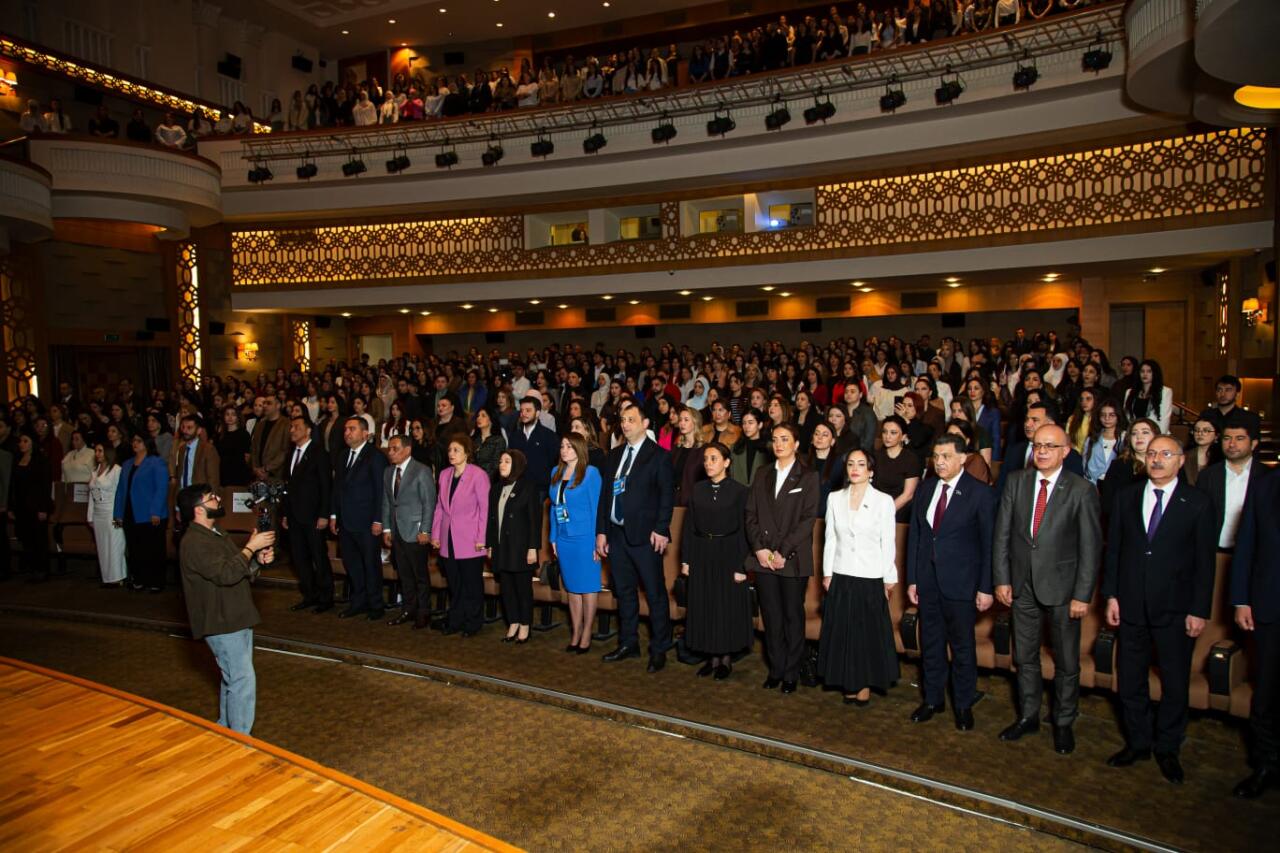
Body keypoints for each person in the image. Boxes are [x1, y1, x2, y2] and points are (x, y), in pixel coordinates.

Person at [1102, 435, 1216, 784]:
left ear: (1181, 460)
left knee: (1175, 682)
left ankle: (1168, 746)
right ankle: (1138, 741)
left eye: (1166, 454)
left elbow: (1204, 563)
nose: (1157, 460)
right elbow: (1115, 552)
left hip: (1176, 608)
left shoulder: (1197, 503)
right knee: (1131, 679)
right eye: (1152, 453)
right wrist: (1111, 596)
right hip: (1132, 603)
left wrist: (1199, 609)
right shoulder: (1127, 496)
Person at [992, 424, 1102, 755]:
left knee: (1067, 661)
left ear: (1065, 451)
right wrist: (1002, 579)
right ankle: (1029, 716)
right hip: (1022, 586)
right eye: (1037, 445)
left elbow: (1090, 548)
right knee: (1024, 657)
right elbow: (1002, 536)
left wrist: (1083, 595)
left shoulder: (1082, 490)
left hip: (1064, 591)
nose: (1041, 451)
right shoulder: (1016, 481)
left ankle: (1063, 721)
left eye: (1050, 446)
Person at [906, 433, 995, 730]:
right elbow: (917, 536)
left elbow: (988, 545)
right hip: (928, 582)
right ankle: (933, 699)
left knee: (962, 648)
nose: (939, 462)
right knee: (930, 644)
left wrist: (985, 586)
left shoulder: (980, 493)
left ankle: (963, 703)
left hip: (962, 584)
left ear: (962, 458)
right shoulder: (926, 488)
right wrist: (913, 579)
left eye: (946, 457)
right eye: (936, 456)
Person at [176, 483, 276, 735]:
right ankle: (240, 737)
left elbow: (237, 567)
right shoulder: (194, 542)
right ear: (198, 510)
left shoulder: (216, 533)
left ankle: (225, 730)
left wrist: (257, 560)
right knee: (242, 679)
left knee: (232, 677)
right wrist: (251, 547)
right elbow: (226, 573)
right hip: (220, 620)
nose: (218, 500)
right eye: (211, 498)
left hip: (234, 614)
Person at [595, 402, 676, 672]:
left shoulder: (659, 456)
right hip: (617, 535)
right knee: (625, 592)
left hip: (646, 536)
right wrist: (602, 532)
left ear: (645, 424)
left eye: (631, 419)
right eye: (623, 420)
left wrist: (662, 528)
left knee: (654, 594)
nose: (625, 424)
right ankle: (629, 642)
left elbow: (667, 497)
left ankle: (659, 648)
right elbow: (606, 497)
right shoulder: (615, 455)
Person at [818, 449, 899, 706]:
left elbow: (889, 542)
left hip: (870, 574)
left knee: (865, 634)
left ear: (871, 471)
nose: (855, 468)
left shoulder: (883, 501)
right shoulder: (834, 498)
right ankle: (848, 681)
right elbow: (829, 538)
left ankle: (863, 683)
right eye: (850, 463)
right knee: (844, 632)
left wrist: (889, 577)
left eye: (861, 464)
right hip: (842, 573)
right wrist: (827, 573)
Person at [745, 422, 820, 693]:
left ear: (796, 444)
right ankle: (776, 669)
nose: (779, 444)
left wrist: (782, 551)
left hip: (792, 559)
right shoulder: (762, 473)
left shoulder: (808, 477)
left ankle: (791, 671)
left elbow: (807, 520)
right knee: (771, 617)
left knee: (792, 617)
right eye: (775, 439)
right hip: (764, 557)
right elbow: (750, 515)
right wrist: (760, 549)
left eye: (785, 439)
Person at [1230, 458, 1280, 798]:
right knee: (1267, 694)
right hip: (1270, 605)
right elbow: (1246, 543)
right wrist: (1241, 599)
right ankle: (1267, 764)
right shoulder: (1266, 484)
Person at [681, 442, 751, 680]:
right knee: (705, 605)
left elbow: (744, 530)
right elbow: (689, 526)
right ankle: (711, 658)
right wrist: (686, 559)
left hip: (729, 553)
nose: (708, 463)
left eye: (714, 459)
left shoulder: (740, 491)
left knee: (726, 607)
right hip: (702, 552)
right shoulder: (698, 489)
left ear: (727, 462)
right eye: (706, 459)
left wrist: (743, 565)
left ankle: (725, 660)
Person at [431, 434, 490, 636]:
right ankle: (455, 620)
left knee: (471, 584)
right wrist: (436, 533)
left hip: (470, 539)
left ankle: (473, 623)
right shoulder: (444, 475)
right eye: (449, 450)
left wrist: (482, 538)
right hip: (448, 537)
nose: (451, 454)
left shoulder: (478, 475)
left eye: (456, 450)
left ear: (467, 452)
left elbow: (485, 509)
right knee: (455, 584)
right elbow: (439, 507)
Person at [330, 415, 388, 620]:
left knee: (370, 564)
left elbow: (380, 491)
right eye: (346, 429)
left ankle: (375, 604)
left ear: (365, 433)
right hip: (346, 521)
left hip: (367, 522)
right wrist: (334, 514)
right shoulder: (342, 456)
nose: (347, 433)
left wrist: (379, 520)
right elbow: (337, 489)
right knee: (352, 564)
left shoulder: (375, 456)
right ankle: (358, 602)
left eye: (352, 429)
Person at [550, 433, 603, 653]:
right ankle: (575, 632)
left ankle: (587, 633)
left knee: (588, 587)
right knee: (572, 588)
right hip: (564, 538)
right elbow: (554, 508)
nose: (564, 450)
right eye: (562, 446)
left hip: (585, 538)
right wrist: (553, 537)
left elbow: (596, 509)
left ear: (579, 449)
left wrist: (596, 542)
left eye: (569, 446)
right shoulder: (555, 472)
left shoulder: (590, 473)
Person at [378, 435, 436, 629]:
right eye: (389, 449)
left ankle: (424, 612)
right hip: (397, 531)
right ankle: (408, 610)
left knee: (420, 575)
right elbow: (387, 502)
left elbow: (429, 503)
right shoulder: (388, 472)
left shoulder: (421, 471)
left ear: (408, 449)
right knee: (404, 574)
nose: (390, 452)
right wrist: (387, 528)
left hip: (416, 530)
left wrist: (426, 530)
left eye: (395, 449)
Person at [487, 449, 542, 643]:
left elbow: (535, 521)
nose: (501, 464)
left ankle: (525, 624)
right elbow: (491, 521)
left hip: (521, 547)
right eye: (501, 461)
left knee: (522, 589)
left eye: (507, 461)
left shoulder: (528, 487)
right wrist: (490, 544)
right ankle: (513, 622)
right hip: (501, 547)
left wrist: (533, 548)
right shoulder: (495, 489)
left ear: (516, 465)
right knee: (507, 589)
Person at [281, 414, 333, 613]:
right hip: (294, 515)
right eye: (291, 427)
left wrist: (324, 514)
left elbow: (326, 486)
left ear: (309, 430)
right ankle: (309, 595)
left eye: (296, 426)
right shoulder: (291, 453)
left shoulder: (319, 452)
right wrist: (285, 513)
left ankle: (325, 598)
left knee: (318, 557)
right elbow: (288, 486)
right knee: (299, 558)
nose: (292, 430)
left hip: (313, 516)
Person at [1196, 423, 1267, 551]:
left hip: (1253, 553)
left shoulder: (1267, 476)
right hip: (1214, 551)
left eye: (1239, 438)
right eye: (1227, 438)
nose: (1232, 444)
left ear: (1254, 443)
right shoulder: (1207, 475)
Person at [112, 435, 169, 592]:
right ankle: (139, 579)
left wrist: (156, 511)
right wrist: (117, 516)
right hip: (130, 513)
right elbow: (120, 491)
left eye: (138, 441)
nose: (134, 444)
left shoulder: (156, 462)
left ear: (147, 443)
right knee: (134, 547)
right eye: (133, 441)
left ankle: (156, 582)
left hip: (151, 514)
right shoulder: (127, 464)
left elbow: (162, 488)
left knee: (153, 549)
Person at [9, 435, 53, 582]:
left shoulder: (41, 460)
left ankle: (42, 569)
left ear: (32, 443)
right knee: (26, 538)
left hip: (37, 506)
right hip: (22, 507)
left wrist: (43, 508)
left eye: (25, 441)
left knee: (39, 538)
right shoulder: (17, 460)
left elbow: (45, 486)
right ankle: (33, 567)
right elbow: (13, 486)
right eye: (20, 441)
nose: (22, 444)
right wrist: (11, 507)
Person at [87, 442, 127, 587]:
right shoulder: (94, 471)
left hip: (113, 513)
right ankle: (107, 578)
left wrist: (119, 516)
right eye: (96, 451)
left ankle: (118, 578)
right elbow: (91, 496)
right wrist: (90, 517)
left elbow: (121, 494)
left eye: (100, 451)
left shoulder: (116, 470)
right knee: (102, 546)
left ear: (108, 453)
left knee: (116, 544)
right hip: (98, 514)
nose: (97, 454)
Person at [874, 415, 920, 523]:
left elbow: (908, 495)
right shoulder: (875, 456)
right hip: (875, 507)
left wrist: (886, 512)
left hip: (898, 510)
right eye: (885, 432)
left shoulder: (910, 459)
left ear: (903, 437)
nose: (887, 436)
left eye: (893, 433)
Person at [506, 395, 558, 491]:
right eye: (521, 411)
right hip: (518, 487)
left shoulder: (549, 436)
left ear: (537, 413)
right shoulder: (514, 436)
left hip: (540, 488)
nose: (523, 413)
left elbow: (553, 462)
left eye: (528, 410)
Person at [1123, 359, 1173, 434]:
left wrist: (1157, 439)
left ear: (1155, 373)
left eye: (1149, 371)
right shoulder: (1129, 392)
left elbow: (1164, 420)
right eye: (1142, 371)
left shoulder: (1165, 392)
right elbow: (1128, 415)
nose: (1145, 374)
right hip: (1136, 433)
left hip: (1156, 434)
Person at [250, 395, 289, 482]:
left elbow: (285, 451)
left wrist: (266, 469)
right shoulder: (260, 425)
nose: (265, 406)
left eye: (269, 403)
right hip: (258, 476)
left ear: (278, 406)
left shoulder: (286, 424)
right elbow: (254, 449)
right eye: (264, 403)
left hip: (276, 476)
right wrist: (256, 468)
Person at [216, 405, 253, 486]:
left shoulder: (244, 434)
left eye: (233, 414)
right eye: (227, 414)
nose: (230, 417)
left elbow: (247, 456)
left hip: (239, 474)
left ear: (238, 417)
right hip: (223, 474)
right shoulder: (220, 435)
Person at [1183, 418, 1223, 486]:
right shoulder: (1184, 455)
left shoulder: (1222, 457)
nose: (1200, 433)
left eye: (1206, 430)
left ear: (1216, 436)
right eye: (1197, 430)